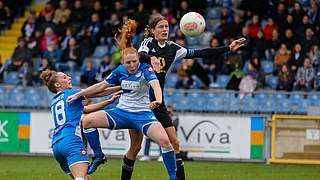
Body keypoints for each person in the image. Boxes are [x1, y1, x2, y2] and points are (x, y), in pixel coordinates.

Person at [134, 14, 246, 180]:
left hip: (158, 102)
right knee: (135, 146)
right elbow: (139, 55)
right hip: (140, 99)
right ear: (152, 30)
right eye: (161, 27)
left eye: (166, 26)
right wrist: (152, 58)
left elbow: (200, 53)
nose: (165, 29)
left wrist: (228, 48)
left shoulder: (173, 48)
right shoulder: (147, 43)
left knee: (175, 143)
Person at [67, 19, 177, 180]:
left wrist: (158, 100)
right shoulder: (119, 71)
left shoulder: (146, 68)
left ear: (139, 60)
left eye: (135, 61)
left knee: (165, 142)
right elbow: (101, 86)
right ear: (122, 62)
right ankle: (98, 155)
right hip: (122, 112)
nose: (132, 65)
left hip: (142, 115)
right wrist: (78, 94)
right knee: (86, 121)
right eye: (129, 63)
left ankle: (174, 177)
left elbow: (156, 85)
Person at [39, 70, 119, 180]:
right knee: (80, 178)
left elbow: (85, 109)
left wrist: (109, 101)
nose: (69, 78)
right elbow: (98, 92)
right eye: (64, 77)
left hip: (57, 145)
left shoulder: (54, 102)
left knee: (86, 178)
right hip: (71, 141)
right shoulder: (71, 94)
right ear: (57, 85)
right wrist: (121, 87)